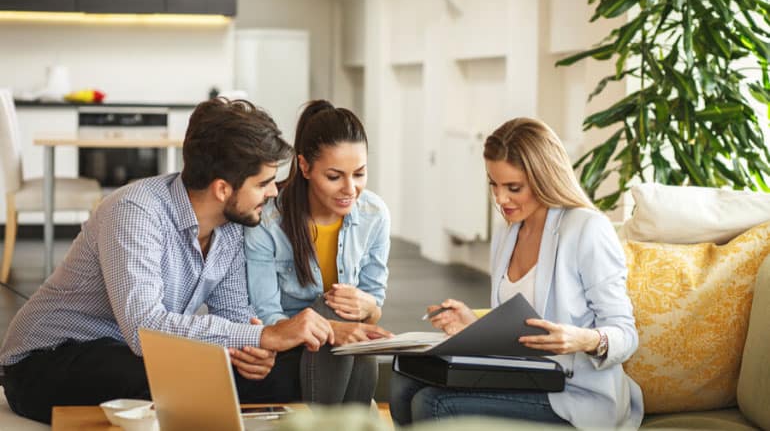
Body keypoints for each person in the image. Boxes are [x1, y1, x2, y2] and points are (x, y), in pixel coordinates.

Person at [0, 98, 335, 424]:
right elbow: (144, 328)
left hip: (136, 353)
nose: (274, 192)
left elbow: (234, 317)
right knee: (170, 377)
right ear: (222, 189)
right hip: (47, 360)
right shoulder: (135, 211)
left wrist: (253, 351)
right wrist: (264, 337)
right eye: (263, 183)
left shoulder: (233, 226)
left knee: (289, 373)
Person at [390, 118, 643, 429]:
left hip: (574, 393)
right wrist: (474, 324)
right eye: (493, 184)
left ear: (544, 178)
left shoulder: (587, 229)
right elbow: (518, 328)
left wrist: (583, 339)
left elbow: (626, 334)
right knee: (404, 387)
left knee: (433, 403)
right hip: (524, 378)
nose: (500, 199)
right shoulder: (507, 233)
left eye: (513, 188)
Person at [244, 100, 391, 405]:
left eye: (359, 174)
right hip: (289, 345)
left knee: (348, 319)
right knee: (331, 310)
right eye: (335, 177)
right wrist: (331, 327)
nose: (350, 189)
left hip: (343, 351)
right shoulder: (268, 222)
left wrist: (367, 307)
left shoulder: (375, 214)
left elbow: (374, 307)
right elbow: (267, 316)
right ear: (306, 166)